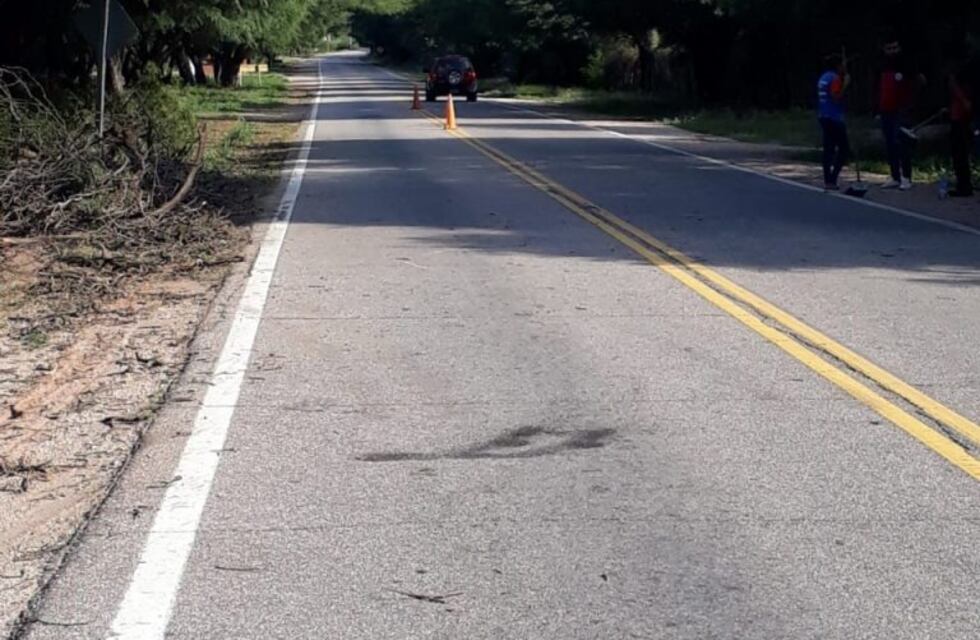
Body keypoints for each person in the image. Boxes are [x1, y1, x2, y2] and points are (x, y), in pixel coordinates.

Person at [876, 40, 923, 190]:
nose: (892, 51)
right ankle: (894, 176)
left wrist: (910, 105)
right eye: (889, 48)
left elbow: (918, 82)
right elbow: (879, 89)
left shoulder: (907, 65)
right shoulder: (882, 66)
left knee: (902, 142)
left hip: (901, 110)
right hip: (886, 110)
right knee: (890, 144)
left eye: (895, 48)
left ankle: (906, 177)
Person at [817, 54, 851, 190]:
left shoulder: (823, 77)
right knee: (844, 149)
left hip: (823, 115)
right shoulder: (835, 78)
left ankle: (828, 180)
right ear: (838, 66)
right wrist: (845, 85)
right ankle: (832, 178)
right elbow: (836, 95)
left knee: (828, 148)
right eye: (842, 64)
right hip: (834, 117)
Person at [948, 66, 974, 197]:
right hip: (959, 113)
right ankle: (963, 184)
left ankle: (964, 185)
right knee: (959, 151)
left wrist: (964, 102)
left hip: (961, 114)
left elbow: (954, 83)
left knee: (960, 150)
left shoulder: (962, 69)